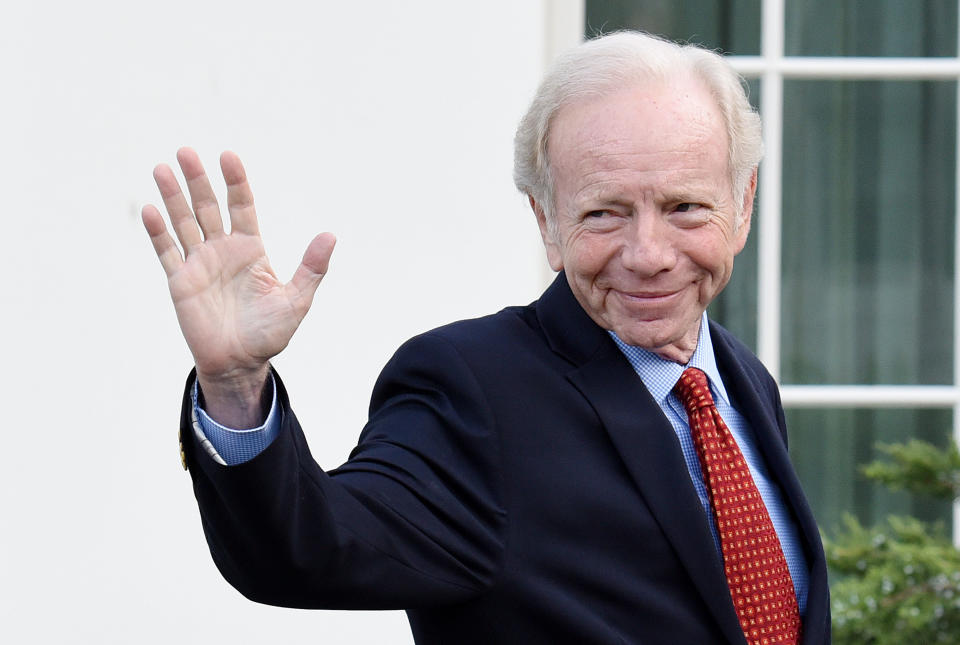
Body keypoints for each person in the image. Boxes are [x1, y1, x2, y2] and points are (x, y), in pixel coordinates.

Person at [143, 32, 830, 645]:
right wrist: (234, 384)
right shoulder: (472, 390)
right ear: (547, 220)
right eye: (604, 212)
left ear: (742, 206)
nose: (648, 252)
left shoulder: (741, 383)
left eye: (684, 207)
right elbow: (306, 547)